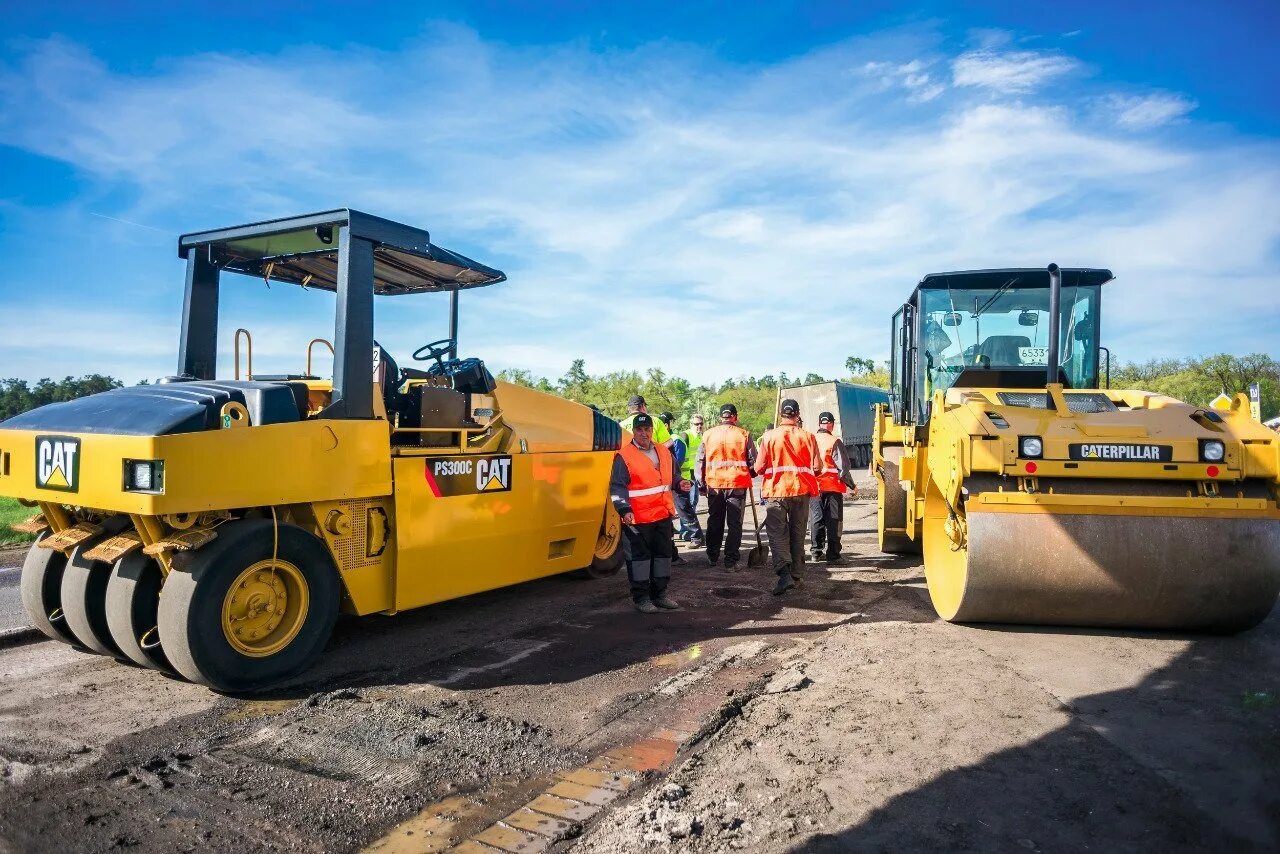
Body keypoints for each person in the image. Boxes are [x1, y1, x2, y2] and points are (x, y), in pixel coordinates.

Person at [609, 413, 692, 613]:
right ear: (634, 432)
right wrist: (624, 509)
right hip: (637, 519)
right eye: (639, 430)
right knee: (639, 560)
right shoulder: (624, 456)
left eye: (647, 429)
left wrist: (680, 484)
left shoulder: (663, 452)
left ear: (652, 431)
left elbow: (673, 477)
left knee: (662, 557)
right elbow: (617, 486)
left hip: (662, 516)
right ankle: (641, 598)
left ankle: (660, 595)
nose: (644, 433)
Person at [756, 398, 820, 595]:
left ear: (781, 414)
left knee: (777, 535)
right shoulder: (808, 436)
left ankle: (784, 576)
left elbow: (759, 468)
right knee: (798, 533)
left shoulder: (768, 437)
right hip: (801, 491)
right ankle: (797, 576)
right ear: (797, 414)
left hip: (776, 493)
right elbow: (817, 468)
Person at [695, 403, 756, 570]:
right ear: (735, 417)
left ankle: (712, 556)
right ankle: (730, 561)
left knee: (715, 520)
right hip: (737, 484)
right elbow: (753, 462)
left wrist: (701, 483)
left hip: (714, 485)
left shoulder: (707, 435)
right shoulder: (743, 434)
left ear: (721, 417)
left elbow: (700, 460)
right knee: (734, 523)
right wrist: (752, 473)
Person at [808, 411, 856, 564]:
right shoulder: (834, 441)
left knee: (816, 519)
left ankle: (816, 553)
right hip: (832, 487)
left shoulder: (810, 439)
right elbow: (843, 468)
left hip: (814, 488)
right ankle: (833, 555)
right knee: (834, 520)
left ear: (819, 424)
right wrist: (852, 485)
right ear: (832, 424)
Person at [660, 412, 704, 549]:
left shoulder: (698, 437)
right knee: (685, 506)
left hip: (689, 476)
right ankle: (689, 533)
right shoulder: (682, 437)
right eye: (696, 424)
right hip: (682, 477)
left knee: (689, 505)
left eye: (701, 424)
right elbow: (677, 461)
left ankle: (689, 533)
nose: (699, 426)